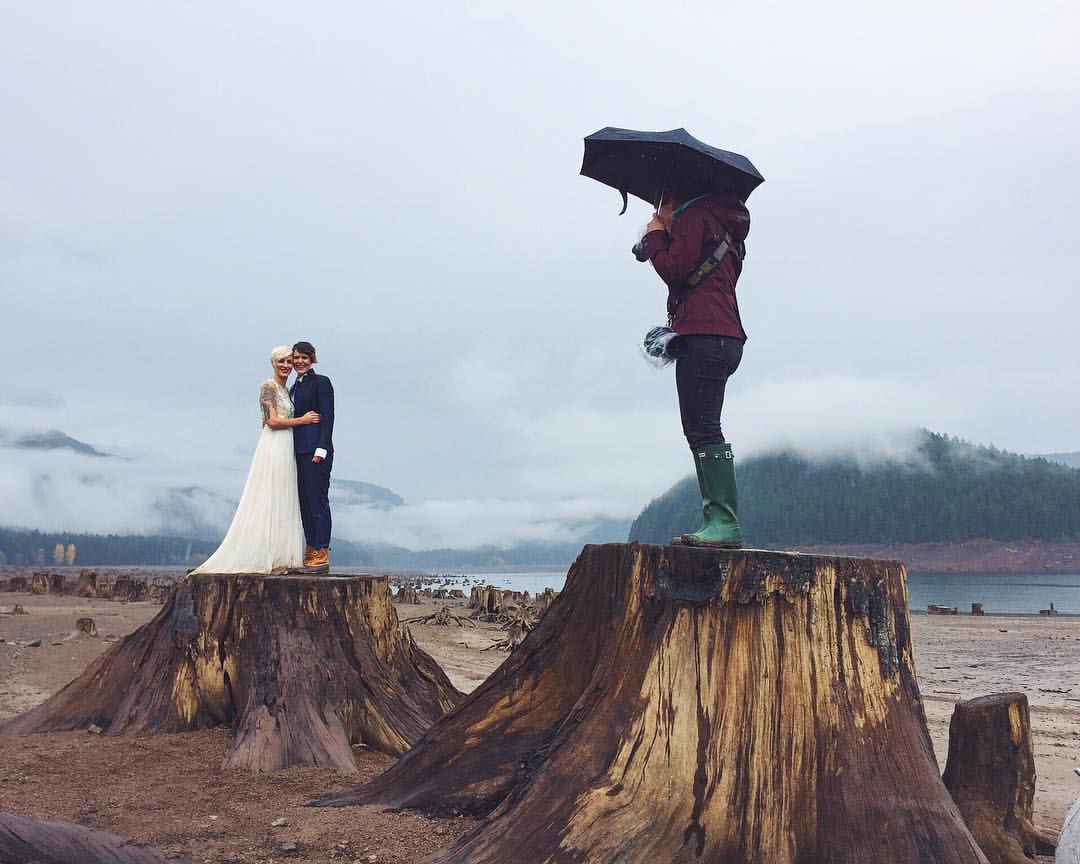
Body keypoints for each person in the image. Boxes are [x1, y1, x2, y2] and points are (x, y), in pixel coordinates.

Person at [636, 178, 751, 547]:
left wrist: (657, 238)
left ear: (675, 200)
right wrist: (658, 239)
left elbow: (675, 269)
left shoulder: (694, 217)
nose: (657, 213)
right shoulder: (724, 226)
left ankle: (723, 522)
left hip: (703, 337)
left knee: (702, 430)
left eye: (660, 205)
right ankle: (718, 520)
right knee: (705, 427)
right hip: (726, 338)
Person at [192, 346, 320, 574]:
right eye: (281, 361)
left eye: (289, 361)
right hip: (273, 445)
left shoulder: (288, 389)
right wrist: (303, 420)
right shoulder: (268, 387)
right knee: (267, 494)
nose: (285, 365)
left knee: (284, 495)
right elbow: (271, 421)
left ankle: (282, 555)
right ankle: (263, 552)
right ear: (273, 363)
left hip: (287, 445)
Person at [290, 341, 335, 570]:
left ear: (312, 358)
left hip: (315, 451)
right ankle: (311, 546)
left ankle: (321, 548)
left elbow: (328, 417)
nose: (300, 361)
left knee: (317, 500)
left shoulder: (321, 382)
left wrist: (322, 448)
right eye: (296, 357)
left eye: (304, 357)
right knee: (304, 502)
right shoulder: (294, 387)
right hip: (297, 451)